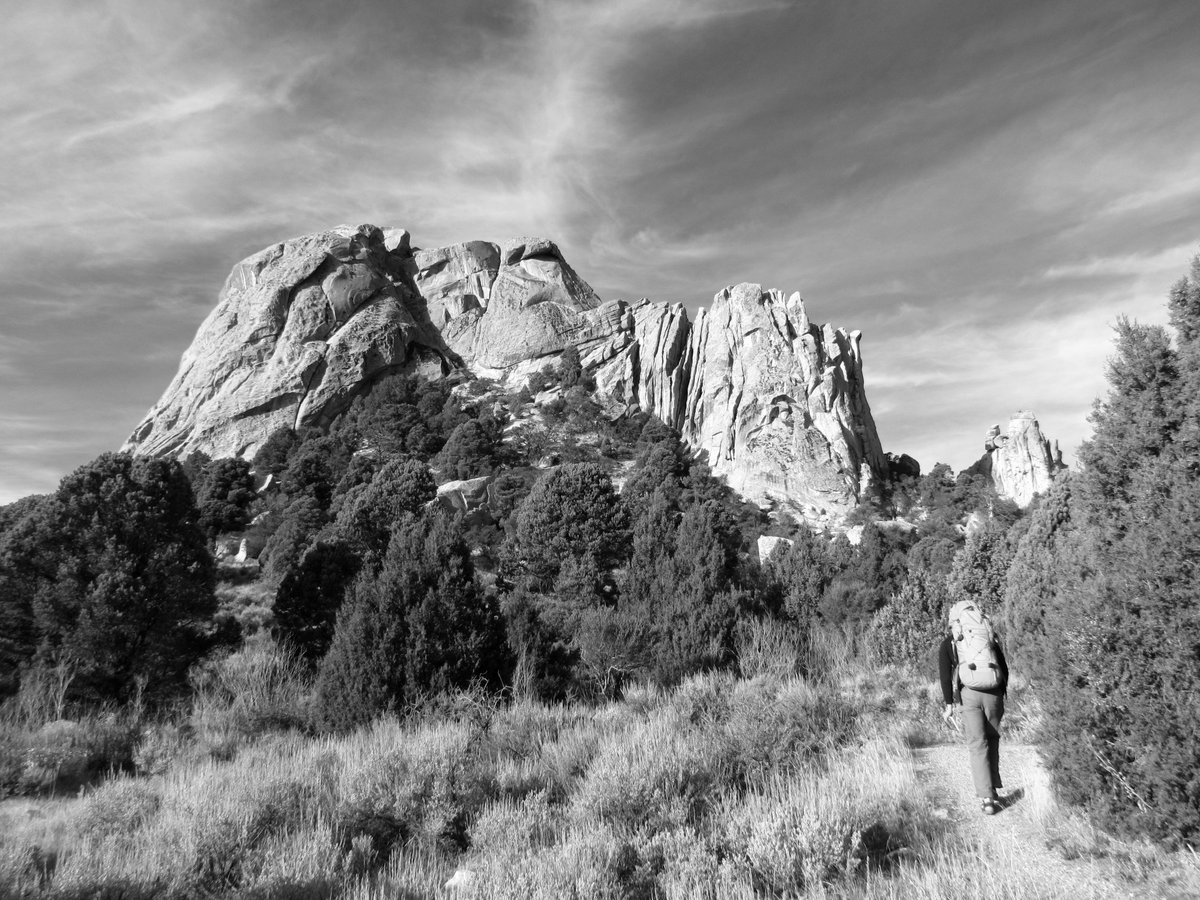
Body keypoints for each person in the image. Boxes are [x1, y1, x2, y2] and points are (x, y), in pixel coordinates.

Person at [939, 600, 1009, 815]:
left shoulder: (951, 642)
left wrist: (949, 704)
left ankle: (987, 798)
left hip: (969, 695)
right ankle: (994, 788)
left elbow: (944, 675)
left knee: (978, 745)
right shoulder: (988, 636)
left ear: (954, 620)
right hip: (994, 694)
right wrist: (1001, 693)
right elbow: (1004, 667)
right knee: (993, 740)